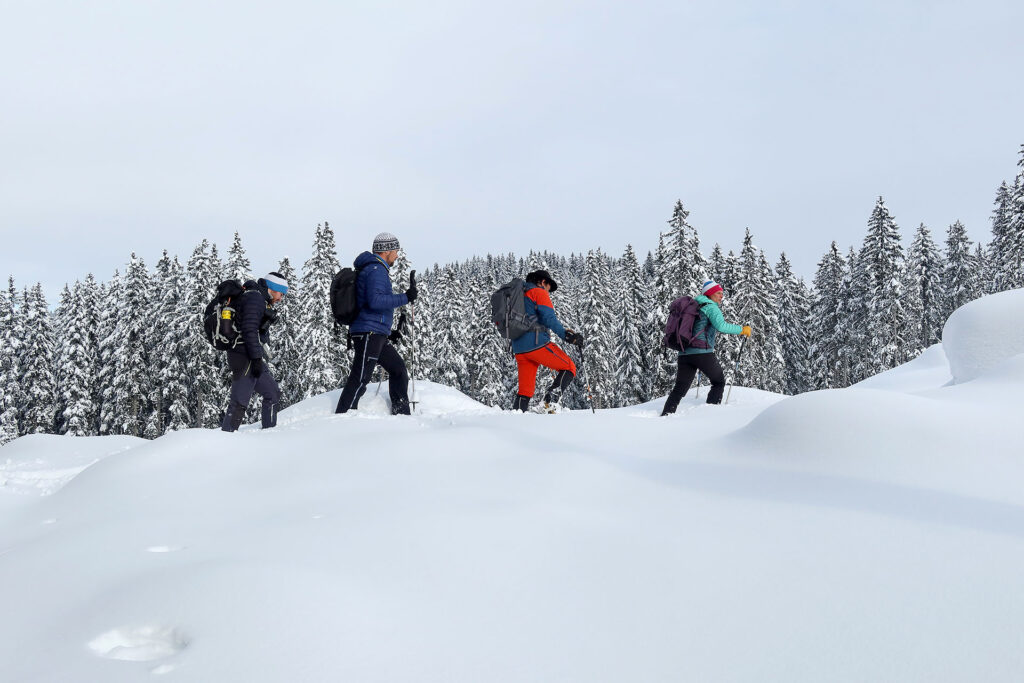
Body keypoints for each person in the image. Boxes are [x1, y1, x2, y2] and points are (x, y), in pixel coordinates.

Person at [335, 232, 418, 415]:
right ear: (386, 251)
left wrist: (388, 332)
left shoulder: (375, 269)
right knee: (360, 377)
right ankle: (342, 418)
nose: (397, 254)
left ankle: (401, 414)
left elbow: (373, 303)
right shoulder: (376, 270)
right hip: (368, 333)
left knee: (398, 370)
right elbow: (375, 301)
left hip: (375, 332)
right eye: (396, 250)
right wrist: (406, 297)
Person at [661, 280, 751, 415]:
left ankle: (666, 414)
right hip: (702, 353)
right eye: (719, 293)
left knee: (680, 388)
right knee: (718, 382)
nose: (721, 296)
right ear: (710, 294)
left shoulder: (693, 306)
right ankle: (711, 415)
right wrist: (742, 330)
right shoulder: (711, 307)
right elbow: (721, 326)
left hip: (684, 353)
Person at [221, 272, 288, 431]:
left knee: (272, 393)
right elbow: (249, 330)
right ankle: (225, 442)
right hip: (243, 355)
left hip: (251, 355)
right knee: (238, 403)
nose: (280, 298)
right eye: (280, 293)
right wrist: (257, 359)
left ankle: (269, 434)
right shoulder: (255, 298)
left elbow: (256, 332)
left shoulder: (260, 300)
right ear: (272, 288)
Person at [510, 269, 584, 412]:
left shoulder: (518, 295)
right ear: (543, 282)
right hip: (537, 344)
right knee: (569, 368)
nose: (548, 292)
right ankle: (549, 404)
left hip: (519, 349)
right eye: (549, 287)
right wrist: (567, 336)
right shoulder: (538, 292)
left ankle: (516, 418)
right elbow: (549, 318)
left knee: (525, 391)